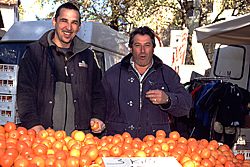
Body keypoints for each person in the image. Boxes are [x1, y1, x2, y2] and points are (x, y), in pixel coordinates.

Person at [17, 2, 106, 135]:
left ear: (79, 27)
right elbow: (25, 92)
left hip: (80, 141)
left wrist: (97, 116)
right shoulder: (35, 52)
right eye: (64, 20)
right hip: (44, 139)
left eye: (74, 22)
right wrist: (32, 123)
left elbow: (98, 93)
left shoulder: (88, 56)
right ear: (54, 21)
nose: (69, 27)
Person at [102, 26, 192, 139]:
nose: (142, 51)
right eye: (137, 45)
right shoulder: (113, 74)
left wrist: (167, 99)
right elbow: (100, 104)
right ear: (131, 48)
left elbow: (186, 106)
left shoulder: (167, 74)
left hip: (156, 144)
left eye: (147, 45)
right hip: (120, 143)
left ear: (153, 48)